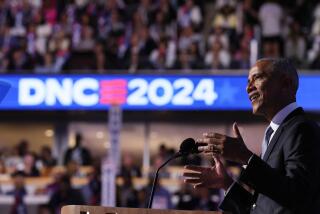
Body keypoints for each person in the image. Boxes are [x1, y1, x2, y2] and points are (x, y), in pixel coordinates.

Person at [183, 58, 320, 213]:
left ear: (285, 83)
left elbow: (299, 197)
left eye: (258, 77)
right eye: (248, 81)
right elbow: (262, 209)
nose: (248, 88)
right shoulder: (273, 134)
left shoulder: (302, 128)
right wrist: (227, 184)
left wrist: (244, 157)